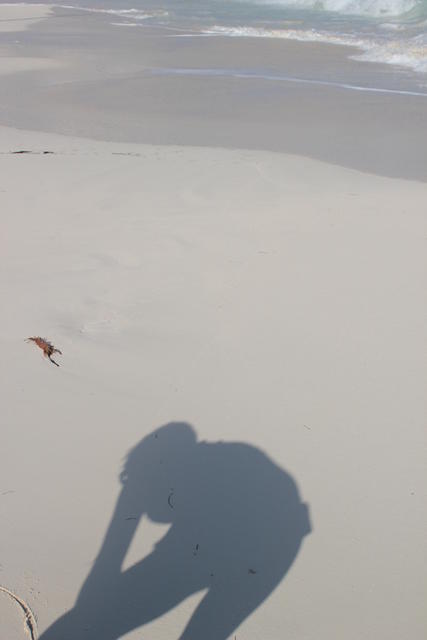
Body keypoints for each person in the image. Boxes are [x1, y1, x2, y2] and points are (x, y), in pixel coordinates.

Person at [40, 422, 311, 639]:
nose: (146, 510)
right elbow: (108, 560)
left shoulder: (215, 481)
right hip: (205, 533)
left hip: (276, 542)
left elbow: (107, 571)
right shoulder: (144, 476)